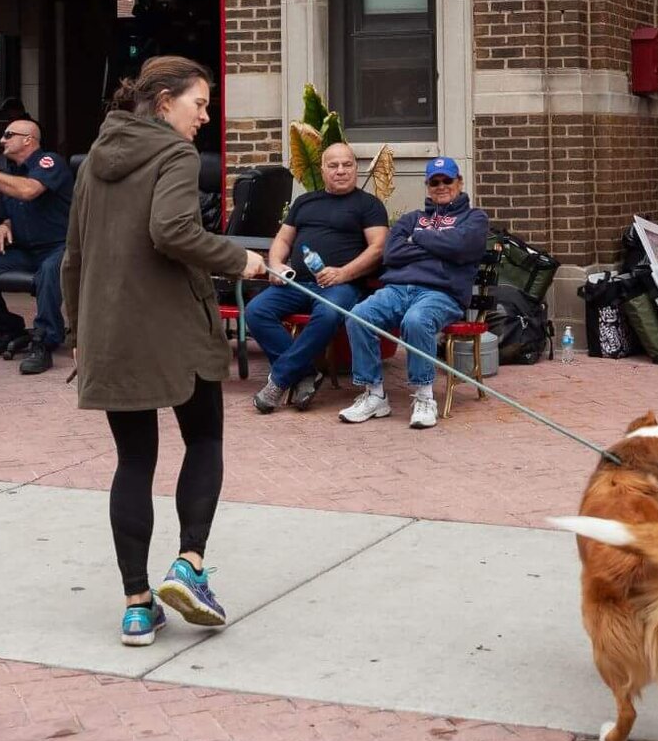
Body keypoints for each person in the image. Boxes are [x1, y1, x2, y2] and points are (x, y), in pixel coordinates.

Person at [62, 56, 265, 647]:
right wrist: (242, 260)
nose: (205, 117)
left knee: (134, 462)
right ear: (164, 101)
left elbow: (71, 254)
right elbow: (173, 231)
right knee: (204, 440)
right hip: (176, 332)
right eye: (199, 104)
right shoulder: (174, 155)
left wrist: (79, 331)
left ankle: (135, 606)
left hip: (110, 334)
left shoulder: (94, 160)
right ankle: (190, 565)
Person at [338, 155, 488, 431]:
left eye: (447, 180)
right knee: (358, 316)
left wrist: (418, 238)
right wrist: (442, 246)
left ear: (459, 182)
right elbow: (392, 252)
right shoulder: (412, 218)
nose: (441, 186)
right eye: (435, 182)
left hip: (441, 293)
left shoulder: (474, 218)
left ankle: (424, 397)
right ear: (427, 185)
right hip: (398, 289)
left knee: (416, 321)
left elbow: (463, 247)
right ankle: (374, 395)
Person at [247, 141, 389, 413]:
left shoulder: (369, 205)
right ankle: (304, 374)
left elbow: (378, 249)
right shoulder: (305, 202)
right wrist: (275, 264)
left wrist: (342, 273)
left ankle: (278, 381)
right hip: (297, 282)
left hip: (343, 285)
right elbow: (283, 239)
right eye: (333, 165)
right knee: (256, 311)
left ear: (355, 169)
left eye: (347, 165)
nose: (340, 171)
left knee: (329, 314)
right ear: (322, 170)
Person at [0, 119, 75, 376]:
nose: (2, 140)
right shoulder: (11, 174)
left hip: (58, 247)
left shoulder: (48, 162)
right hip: (27, 251)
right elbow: (10, 210)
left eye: (9, 135)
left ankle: (44, 340)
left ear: (28, 140)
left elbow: (29, 191)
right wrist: (3, 226)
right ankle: (8, 327)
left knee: (50, 272)